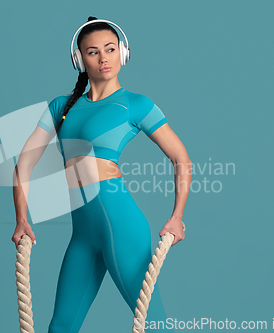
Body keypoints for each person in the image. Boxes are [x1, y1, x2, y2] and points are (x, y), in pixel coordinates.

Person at [11, 17, 192, 333]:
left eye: (110, 49)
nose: (103, 57)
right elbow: (23, 165)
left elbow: (181, 159)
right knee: (61, 326)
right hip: (83, 233)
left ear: (123, 52)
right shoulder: (61, 107)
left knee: (154, 323)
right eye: (93, 52)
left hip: (121, 223)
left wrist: (177, 217)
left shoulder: (134, 104)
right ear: (79, 60)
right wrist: (21, 219)